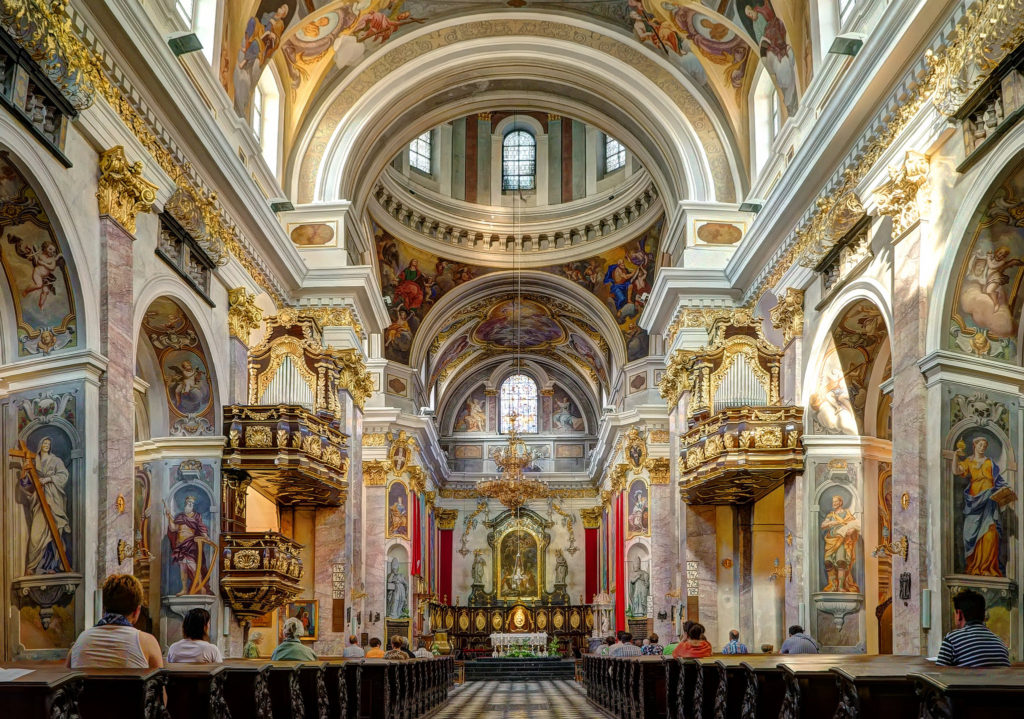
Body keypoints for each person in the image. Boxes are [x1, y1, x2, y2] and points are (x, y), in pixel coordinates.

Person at [68, 574, 162, 669]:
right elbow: (159, 681)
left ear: (104, 608)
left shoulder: (80, 641)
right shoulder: (148, 642)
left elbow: (67, 677)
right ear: (137, 611)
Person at [936, 589, 1010, 667]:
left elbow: (938, 675)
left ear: (959, 614)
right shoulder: (1000, 642)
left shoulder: (952, 640)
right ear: (983, 614)